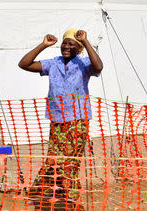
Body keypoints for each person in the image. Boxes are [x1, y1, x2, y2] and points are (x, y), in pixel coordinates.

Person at [18, 29, 103, 211]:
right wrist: (43, 45)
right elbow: (24, 64)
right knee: (53, 159)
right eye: (64, 43)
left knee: (70, 161)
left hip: (77, 120)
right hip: (57, 119)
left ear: (79, 48)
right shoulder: (53, 63)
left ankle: (71, 201)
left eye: (71, 44)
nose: (65, 46)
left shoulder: (84, 63)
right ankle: (44, 193)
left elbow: (98, 67)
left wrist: (86, 42)